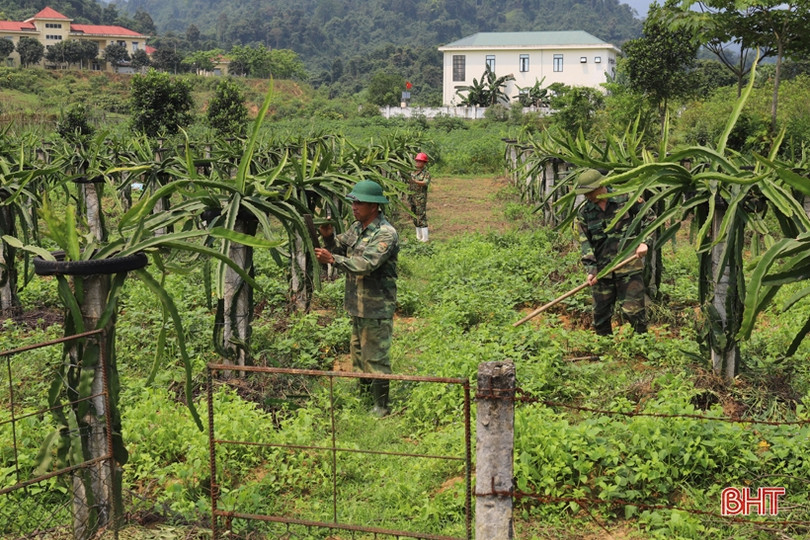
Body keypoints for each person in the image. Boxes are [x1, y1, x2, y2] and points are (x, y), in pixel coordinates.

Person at [314, 180, 399, 416]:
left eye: (359, 202)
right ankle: (364, 399)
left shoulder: (385, 234)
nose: (354, 206)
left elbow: (366, 264)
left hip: (376, 306)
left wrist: (333, 260)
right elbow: (342, 246)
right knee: (359, 354)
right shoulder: (357, 227)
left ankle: (381, 406)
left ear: (374, 206)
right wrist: (329, 238)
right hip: (357, 305)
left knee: (376, 357)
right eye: (353, 201)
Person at [575, 168, 654, 336]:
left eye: (590, 192)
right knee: (600, 315)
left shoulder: (626, 197)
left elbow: (650, 218)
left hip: (629, 266)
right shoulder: (584, 212)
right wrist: (591, 270)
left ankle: (642, 348)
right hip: (603, 271)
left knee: (634, 312)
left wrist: (644, 243)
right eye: (585, 194)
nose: (588, 196)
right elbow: (585, 243)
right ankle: (604, 351)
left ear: (600, 186)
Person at [408, 152, 431, 242]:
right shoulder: (412, 172)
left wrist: (414, 181)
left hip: (420, 198)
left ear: (424, 163)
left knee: (421, 216)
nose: (418, 163)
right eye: (417, 161)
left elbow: (425, 182)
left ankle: (425, 238)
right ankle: (418, 236)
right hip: (412, 197)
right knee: (414, 216)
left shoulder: (426, 173)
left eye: (420, 161)